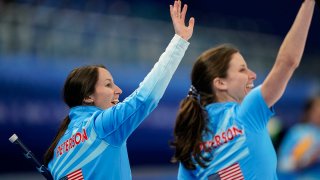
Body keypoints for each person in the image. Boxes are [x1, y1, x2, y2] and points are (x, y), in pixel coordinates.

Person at [43, 1, 194, 179]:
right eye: (108, 85)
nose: (118, 90)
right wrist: (179, 41)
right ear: (88, 96)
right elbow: (145, 97)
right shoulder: (101, 125)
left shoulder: (57, 151)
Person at [170, 0, 315, 179]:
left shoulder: (191, 144)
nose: (252, 75)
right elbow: (287, 62)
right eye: (242, 69)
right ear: (220, 83)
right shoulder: (247, 111)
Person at [278, 96, 320, 178]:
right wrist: (304, 160)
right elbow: (282, 164)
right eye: (317, 109)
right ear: (309, 111)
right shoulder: (297, 132)